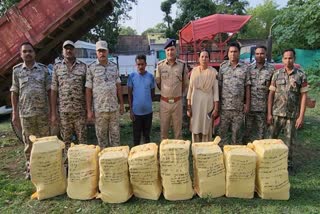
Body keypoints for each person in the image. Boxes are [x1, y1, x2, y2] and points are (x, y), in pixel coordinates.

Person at [10, 42, 51, 179]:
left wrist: (52, 111)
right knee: (29, 143)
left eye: (30, 51)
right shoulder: (16, 71)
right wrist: (15, 113)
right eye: (25, 51)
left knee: (44, 141)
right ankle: (30, 169)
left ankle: (45, 168)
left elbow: (49, 90)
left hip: (42, 113)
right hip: (26, 114)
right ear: (21, 55)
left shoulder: (43, 70)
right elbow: (14, 92)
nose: (28, 53)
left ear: (34, 53)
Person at [267, 48, 308, 171]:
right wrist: (269, 113)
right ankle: (269, 162)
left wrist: (301, 116)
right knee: (270, 140)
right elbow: (271, 95)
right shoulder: (276, 74)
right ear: (282, 59)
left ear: (294, 59)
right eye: (285, 58)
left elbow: (304, 96)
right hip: (276, 114)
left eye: (290, 58)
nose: (288, 60)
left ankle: (287, 165)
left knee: (289, 142)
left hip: (292, 115)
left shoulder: (301, 75)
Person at [86, 40, 124, 148]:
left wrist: (121, 104)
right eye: (99, 51)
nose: (102, 53)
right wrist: (89, 110)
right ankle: (105, 163)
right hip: (99, 110)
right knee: (102, 141)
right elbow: (88, 89)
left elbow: (118, 86)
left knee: (116, 139)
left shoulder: (114, 66)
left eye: (104, 51)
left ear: (107, 52)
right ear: (96, 53)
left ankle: (116, 162)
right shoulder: (91, 68)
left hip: (113, 109)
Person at [51, 40, 87, 150]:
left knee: (83, 141)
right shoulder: (57, 67)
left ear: (74, 50)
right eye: (66, 48)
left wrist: (89, 109)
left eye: (71, 48)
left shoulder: (83, 67)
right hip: (64, 112)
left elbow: (87, 90)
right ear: (62, 51)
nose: (68, 50)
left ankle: (84, 164)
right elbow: (53, 91)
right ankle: (69, 165)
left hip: (79, 112)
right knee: (66, 142)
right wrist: (53, 112)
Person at [218, 42, 251, 145]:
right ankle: (223, 155)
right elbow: (219, 86)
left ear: (239, 53)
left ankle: (235, 158)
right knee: (223, 134)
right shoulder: (223, 67)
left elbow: (247, 87)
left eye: (235, 51)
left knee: (236, 136)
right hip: (224, 108)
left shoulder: (245, 68)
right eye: (231, 52)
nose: (233, 54)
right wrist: (218, 104)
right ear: (228, 53)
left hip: (238, 108)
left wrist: (247, 104)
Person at [155, 39, 189, 140]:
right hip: (164, 103)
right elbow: (158, 83)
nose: (170, 52)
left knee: (178, 132)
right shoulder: (160, 66)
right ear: (165, 52)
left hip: (177, 103)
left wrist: (177, 94)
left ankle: (179, 154)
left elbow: (185, 84)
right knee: (164, 132)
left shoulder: (182, 65)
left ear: (176, 50)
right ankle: (165, 154)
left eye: (172, 49)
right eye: (168, 50)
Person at [243, 46, 275, 143]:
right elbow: (245, 88)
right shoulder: (249, 69)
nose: (259, 56)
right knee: (247, 134)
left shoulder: (271, 70)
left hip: (263, 108)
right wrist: (245, 104)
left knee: (261, 135)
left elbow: (272, 91)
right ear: (254, 55)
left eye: (262, 53)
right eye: (257, 54)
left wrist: (270, 112)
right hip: (250, 108)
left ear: (265, 55)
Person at [187, 50, 219, 142]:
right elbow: (190, 89)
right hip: (195, 103)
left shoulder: (213, 72)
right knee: (195, 124)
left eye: (206, 57)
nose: (204, 59)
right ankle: (195, 148)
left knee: (206, 125)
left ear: (209, 59)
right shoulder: (194, 71)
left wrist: (216, 108)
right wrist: (189, 107)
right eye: (202, 57)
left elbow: (216, 92)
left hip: (207, 103)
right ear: (199, 59)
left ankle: (206, 149)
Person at [127, 54, 155, 146]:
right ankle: (136, 157)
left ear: (145, 64)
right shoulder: (132, 76)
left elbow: (152, 93)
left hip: (148, 112)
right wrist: (131, 110)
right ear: (136, 65)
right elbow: (130, 94)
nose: (140, 66)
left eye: (142, 64)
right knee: (136, 137)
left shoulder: (150, 77)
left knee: (146, 136)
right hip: (136, 113)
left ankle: (147, 156)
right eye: (138, 64)